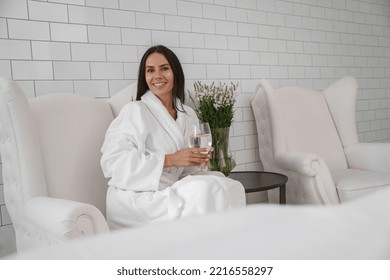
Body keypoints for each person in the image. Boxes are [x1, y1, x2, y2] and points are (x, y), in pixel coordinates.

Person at [101, 45, 246, 230]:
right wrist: (169, 160)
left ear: (175, 72)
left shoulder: (188, 114)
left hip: (171, 188)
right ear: (144, 78)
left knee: (229, 185)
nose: (157, 76)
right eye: (150, 70)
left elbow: (187, 171)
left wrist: (198, 160)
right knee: (208, 190)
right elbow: (112, 163)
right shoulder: (135, 111)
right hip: (139, 197)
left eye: (164, 68)